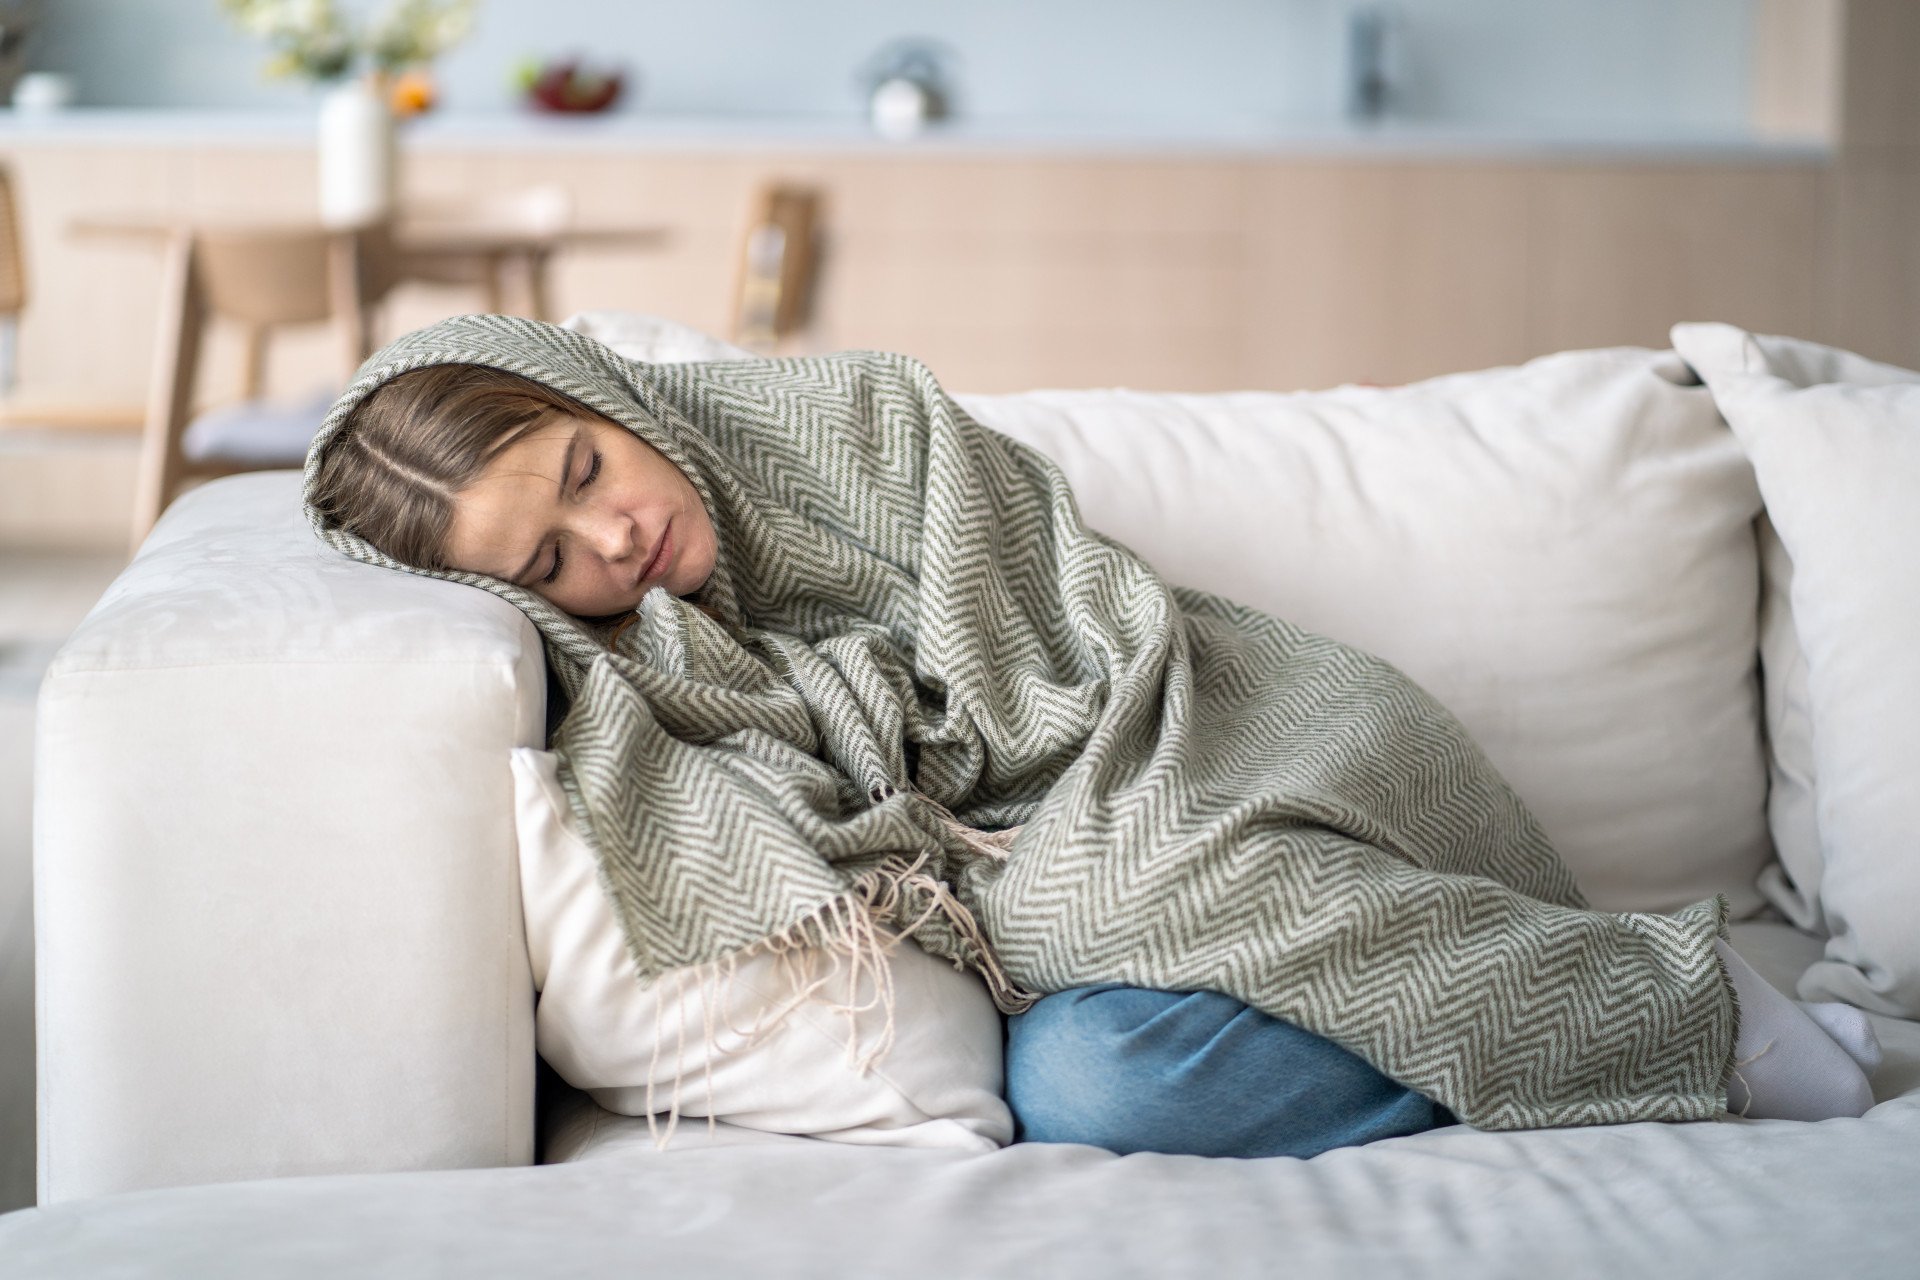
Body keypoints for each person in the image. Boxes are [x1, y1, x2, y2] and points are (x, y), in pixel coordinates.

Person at [310, 356, 1881, 1160]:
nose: (618, 536)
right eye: (553, 564)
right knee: (1092, 1083)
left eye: (587, 469)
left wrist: (1013, 832)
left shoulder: (858, 422)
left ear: (592, 397)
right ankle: (1594, 1010)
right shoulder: (647, 681)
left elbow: (1065, 654)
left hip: (1235, 745)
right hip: (1081, 928)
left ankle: (1660, 1013)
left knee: (1100, 915)